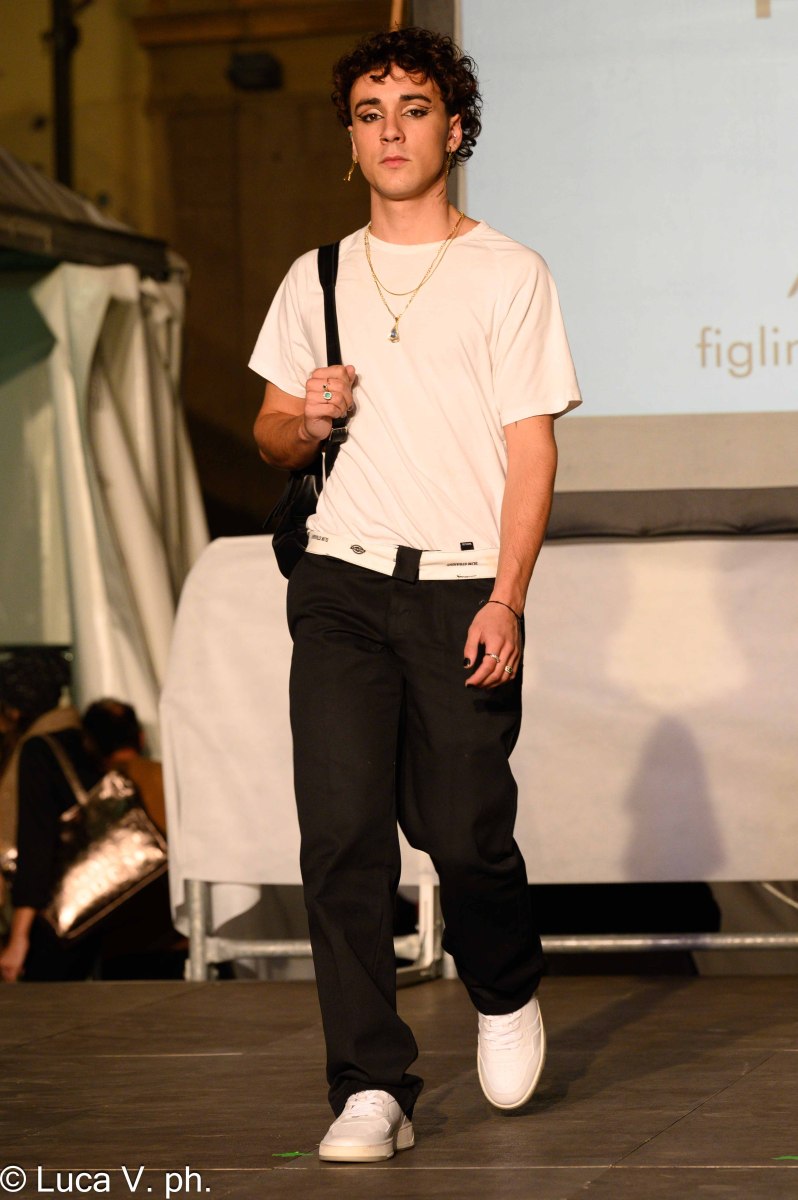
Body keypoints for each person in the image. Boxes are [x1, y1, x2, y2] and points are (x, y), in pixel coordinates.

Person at [250, 26, 581, 1162]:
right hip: (341, 582)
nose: (391, 130)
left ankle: (503, 984)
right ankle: (370, 1087)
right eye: (369, 113)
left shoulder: (510, 273)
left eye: (414, 109)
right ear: (350, 141)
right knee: (342, 835)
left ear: (455, 128)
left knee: (464, 831)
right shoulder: (317, 277)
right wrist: (309, 418)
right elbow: (269, 433)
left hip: (460, 589)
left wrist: (508, 597)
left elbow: (531, 454)